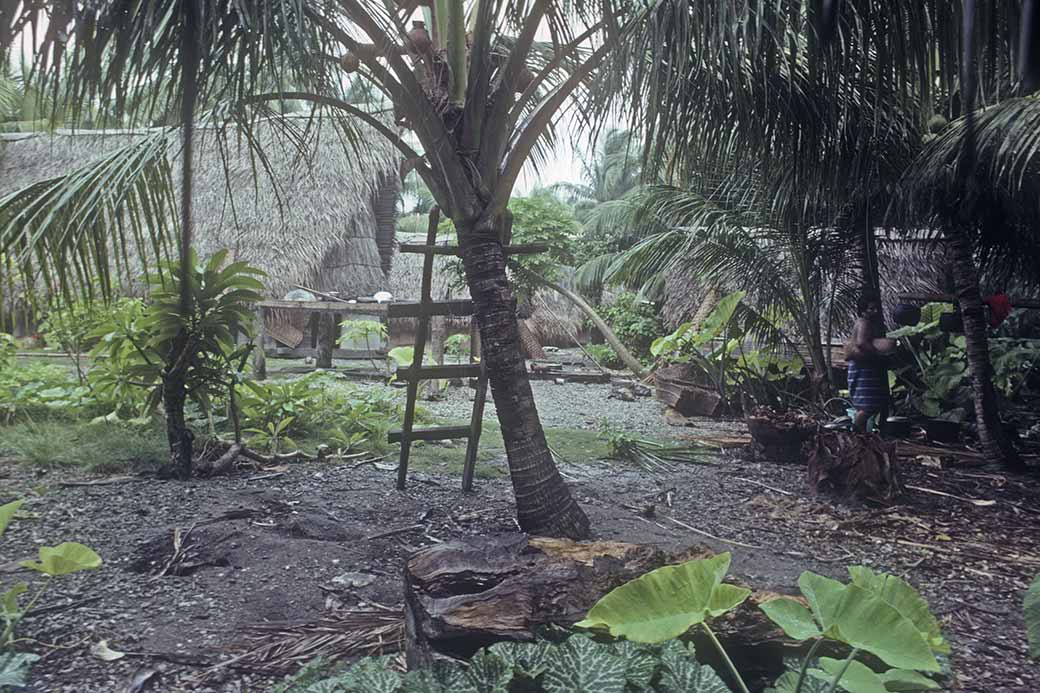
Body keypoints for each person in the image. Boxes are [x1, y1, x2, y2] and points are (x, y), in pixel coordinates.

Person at [845, 292, 890, 434]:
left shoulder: (866, 322)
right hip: (862, 367)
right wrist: (877, 354)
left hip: (864, 368)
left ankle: (862, 436)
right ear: (863, 310)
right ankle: (856, 433)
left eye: (876, 308)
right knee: (867, 406)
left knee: (871, 403)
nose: (875, 311)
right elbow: (861, 343)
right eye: (871, 309)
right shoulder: (863, 322)